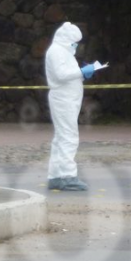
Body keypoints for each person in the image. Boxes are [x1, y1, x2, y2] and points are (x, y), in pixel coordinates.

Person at [44, 22, 102, 191]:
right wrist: (82, 72)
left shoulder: (63, 51)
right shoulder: (56, 51)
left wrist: (83, 74)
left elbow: (69, 75)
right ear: (67, 39)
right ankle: (68, 176)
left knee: (61, 138)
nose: (76, 45)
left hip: (67, 99)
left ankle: (55, 176)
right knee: (69, 137)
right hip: (63, 100)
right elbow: (61, 75)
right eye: (75, 41)